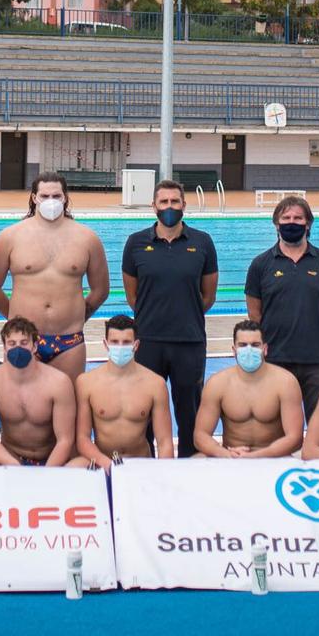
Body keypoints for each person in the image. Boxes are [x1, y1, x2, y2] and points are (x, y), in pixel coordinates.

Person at [121, 178, 218, 457]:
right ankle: (148, 463)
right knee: (146, 410)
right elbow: (133, 296)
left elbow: (208, 297)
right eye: (163, 202)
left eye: (175, 201)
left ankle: (188, 463)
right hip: (148, 341)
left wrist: (183, 313)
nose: (169, 207)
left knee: (189, 411)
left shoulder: (202, 242)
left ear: (184, 205)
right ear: (153, 206)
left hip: (189, 341)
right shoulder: (136, 243)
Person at [0, 172, 110, 380]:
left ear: (65, 198)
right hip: (23, 339)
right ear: (34, 198)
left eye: (56, 196)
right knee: (22, 407)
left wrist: (80, 315)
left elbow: (101, 290)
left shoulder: (87, 238)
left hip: (69, 340)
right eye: (45, 196)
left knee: (68, 406)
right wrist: (14, 317)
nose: (51, 201)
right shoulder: (10, 237)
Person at [243, 195, 319, 418]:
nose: (292, 222)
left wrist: (313, 332)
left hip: (317, 359)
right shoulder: (260, 264)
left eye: (298, 218)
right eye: (286, 217)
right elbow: (254, 313)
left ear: (308, 224)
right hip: (275, 358)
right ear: (276, 224)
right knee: (274, 427)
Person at [71, 314, 174, 467]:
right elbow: (82, 439)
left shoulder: (155, 384)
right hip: (102, 460)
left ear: (136, 345)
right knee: (72, 467)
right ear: (105, 344)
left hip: (140, 462)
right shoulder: (86, 383)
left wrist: (162, 473)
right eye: (114, 342)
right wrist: (107, 464)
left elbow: (164, 442)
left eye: (126, 342)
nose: (120, 346)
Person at [0, 317, 78, 466]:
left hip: (50, 459)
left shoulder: (58, 382)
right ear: (4, 348)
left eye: (24, 343)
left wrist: (47, 473)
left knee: (82, 464)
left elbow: (65, 440)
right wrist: (13, 465)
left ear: (34, 346)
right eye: (12, 343)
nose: (18, 348)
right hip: (12, 458)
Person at [193, 320, 304, 459]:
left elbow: (295, 438)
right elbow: (200, 435)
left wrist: (259, 455)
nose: (249, 349)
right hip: (232, 457)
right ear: (234, 350)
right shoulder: (218, 383)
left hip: (274, 458)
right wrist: (224, 453)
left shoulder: (285, 382)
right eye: (243, 345)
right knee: (197, 459)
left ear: (265, 349)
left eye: (255, 345)